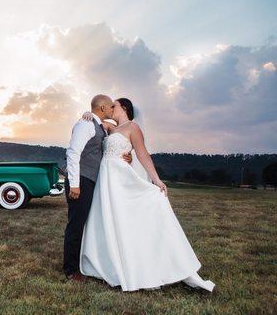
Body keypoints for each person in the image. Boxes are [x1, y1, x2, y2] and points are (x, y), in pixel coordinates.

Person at [79, 97, 215, 292]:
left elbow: (142, 153)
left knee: (127, 217)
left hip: (119, 177)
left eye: (114, 105)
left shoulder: (133, 128)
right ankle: (107, 262)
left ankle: (142, 262)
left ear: (123, 107)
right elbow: (95, 119)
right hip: (105, 178)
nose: (110, 108)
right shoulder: (109, 127)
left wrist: (157, 180)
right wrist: (88, 114)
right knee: (106, 218)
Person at [63, 94, 132, 281]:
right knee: (76, 225)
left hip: (91, 180)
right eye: (110, 107)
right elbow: (73, 153)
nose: (112, 110)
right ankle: (70, 270)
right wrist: (75, 185)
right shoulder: (85, 124)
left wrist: (128, 156)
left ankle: (82, 263)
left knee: (84, 223)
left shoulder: (98, 124)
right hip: (81, 181)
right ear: (102, 108)